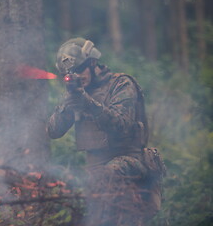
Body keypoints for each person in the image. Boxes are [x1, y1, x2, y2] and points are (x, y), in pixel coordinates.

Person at [46, 38, 165, 226]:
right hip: (95, 170)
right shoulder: (76, 92)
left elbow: (122, 125)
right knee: (68, 191)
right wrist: (67, 105)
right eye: (71, 73)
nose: (77, 76)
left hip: (130, 162)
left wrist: (89, 105)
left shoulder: (121, 84)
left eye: (80, 70)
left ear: (92, 63)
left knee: (109, 178)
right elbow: (53, 131)